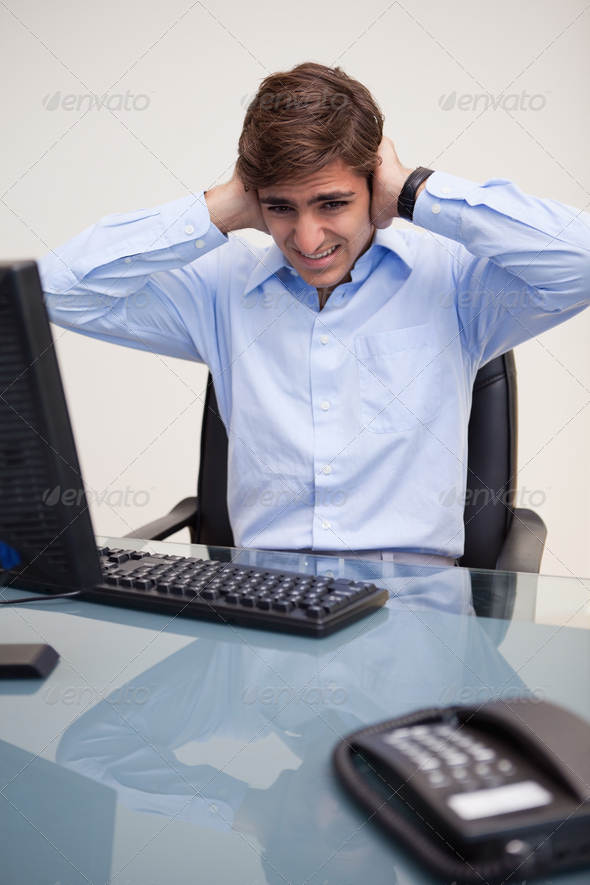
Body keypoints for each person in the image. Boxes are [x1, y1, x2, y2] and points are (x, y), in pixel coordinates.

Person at [40, 62, 590, 566]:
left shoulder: (456, 283)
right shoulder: (219, 291)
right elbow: (52, 290)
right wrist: (221, 205)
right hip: (264, 600)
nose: (306, 239)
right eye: (281, 207)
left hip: (414, 604)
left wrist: (415, 191)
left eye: (332, 203)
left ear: (373, 186)